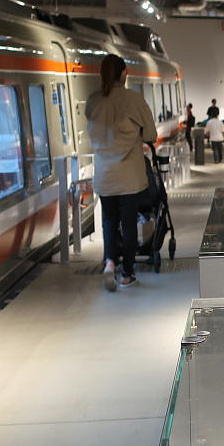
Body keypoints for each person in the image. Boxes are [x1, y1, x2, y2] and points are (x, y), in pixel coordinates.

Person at [85, 54, 157, 291]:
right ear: (124, 73)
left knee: (109, 221)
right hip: (129, 177)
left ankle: (109, 262)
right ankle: (127, 274)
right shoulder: (134, 100)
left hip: (105, 175)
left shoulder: (93, 101)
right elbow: (150, 135)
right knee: (128, 224)